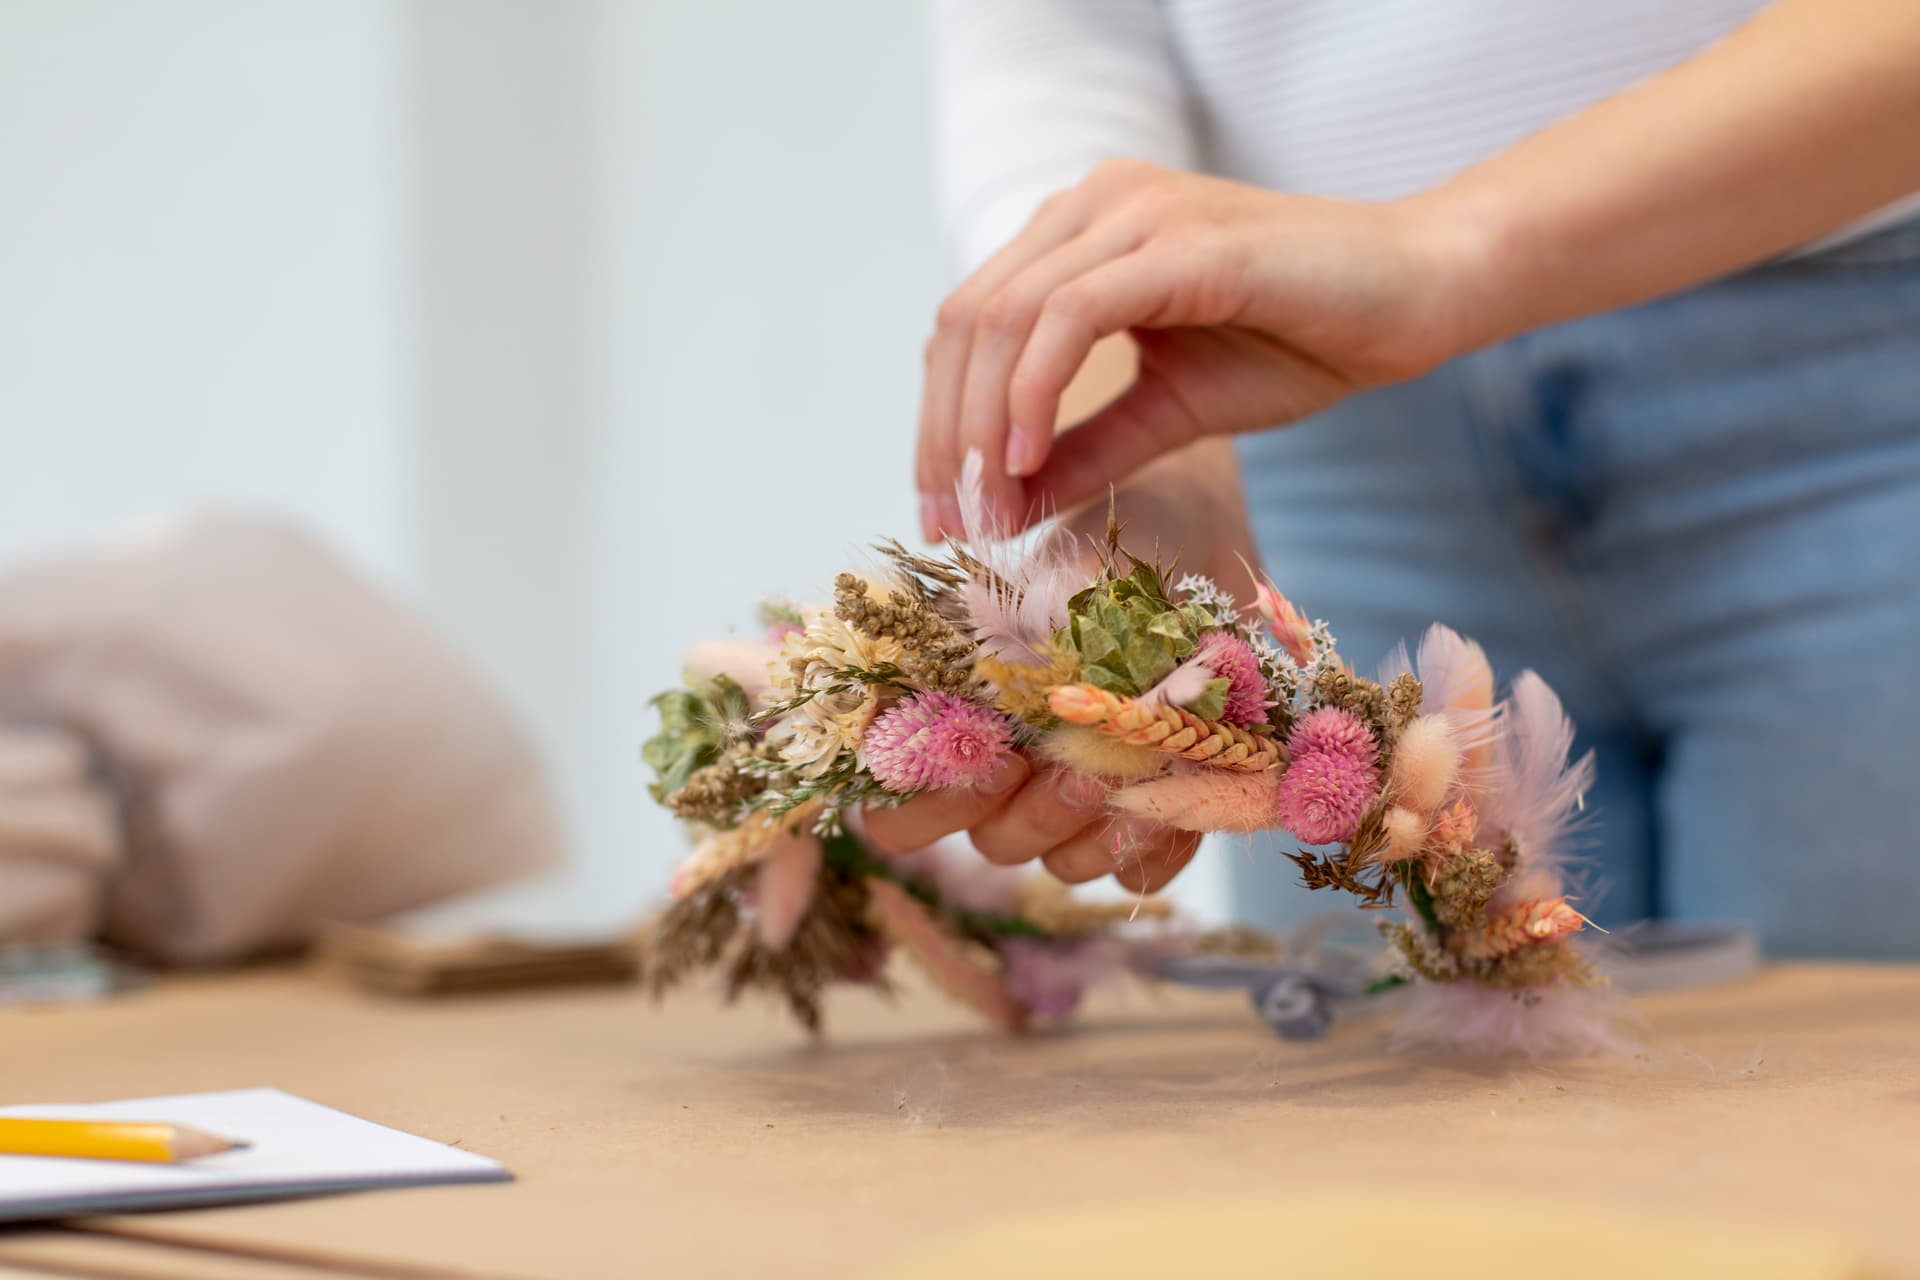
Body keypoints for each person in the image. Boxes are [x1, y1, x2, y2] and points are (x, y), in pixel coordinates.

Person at [859, 0, 1920, 956]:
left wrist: (1439, 253)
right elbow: (1063, 44)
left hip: (1857, 378)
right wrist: (1153, 473)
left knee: (1846, 1114)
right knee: (1389, 1130)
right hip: (1308, 410)